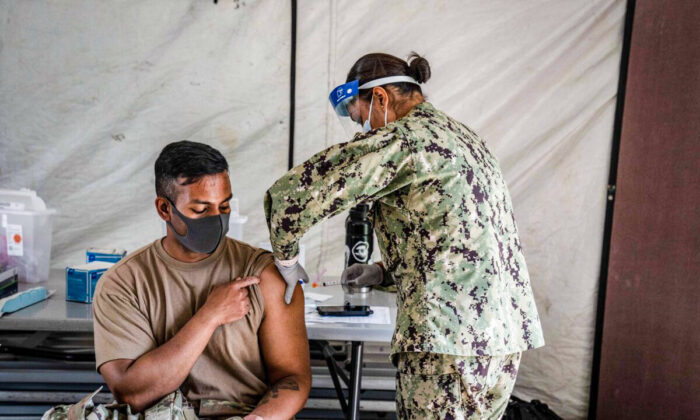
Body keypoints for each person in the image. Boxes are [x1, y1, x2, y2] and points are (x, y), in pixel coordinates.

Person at [264, 53, 545, 419]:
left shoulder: (405, 139)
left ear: (380, 98)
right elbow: (462, 241)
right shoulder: (465, 137)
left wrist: (285, 259)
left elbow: (294, 196)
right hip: (504, 340)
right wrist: (384, 272)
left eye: (361, 119)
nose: (364, 131)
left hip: (449, 344)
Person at [91, 141, 310, 419]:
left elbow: (292, 378)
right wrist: (209, 316)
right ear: (164, 209)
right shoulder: (124, 283)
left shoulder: (264, 273)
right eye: (200, 210)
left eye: (224, 206)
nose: (216, 220)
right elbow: (132, 393)